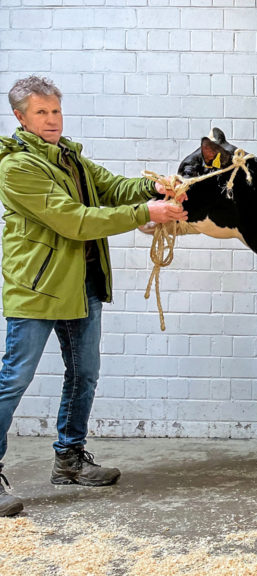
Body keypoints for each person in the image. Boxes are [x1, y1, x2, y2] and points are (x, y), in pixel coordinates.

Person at [0, 75, 187, 517]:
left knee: (85, 374)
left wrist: (150, 188)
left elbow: (111, 188)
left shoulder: (70, 158)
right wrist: (147, 213)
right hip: (37, 288)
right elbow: (74, 220)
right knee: (14, 380)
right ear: (20, 117)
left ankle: (69, 459)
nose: (51, 119)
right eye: (41, 112)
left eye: (55, 110)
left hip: (81, 284)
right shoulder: (16, 168)